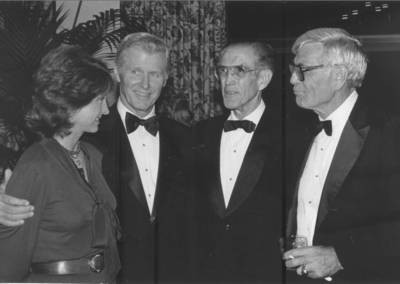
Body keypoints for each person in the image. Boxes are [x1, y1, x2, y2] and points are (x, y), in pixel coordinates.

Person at [283, 27, 400, 283]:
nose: (293, 79)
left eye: (303, 69)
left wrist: (341, 256)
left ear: (338, 76)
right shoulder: (298, 133)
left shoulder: (389, 133)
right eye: (293, 69)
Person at [0, 45, 120, 282]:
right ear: (72, 102)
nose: (106, 110)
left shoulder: (93, 155)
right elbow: (8, 267)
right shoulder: (37, 165)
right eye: (99, 101)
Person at [194, 41, 283, 283]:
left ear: (263, 79)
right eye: (223, 71)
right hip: (206, 272)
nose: (228, 80)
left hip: (263, 273)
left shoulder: (290, 135)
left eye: (239, 71)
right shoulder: (199, 134)